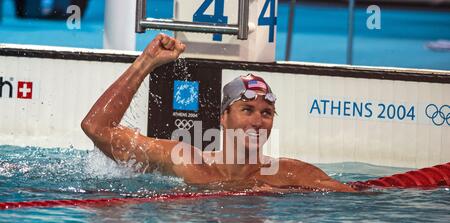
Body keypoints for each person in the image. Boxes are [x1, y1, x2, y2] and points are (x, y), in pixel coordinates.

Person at [81, 34, 356, 192]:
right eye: (247, 109)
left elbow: (354, 195)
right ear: (223, 118)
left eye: (267, 112)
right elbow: (96, 128)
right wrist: (146, 63)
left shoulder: (288, 173)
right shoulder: (185, 161)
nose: (258, 121)